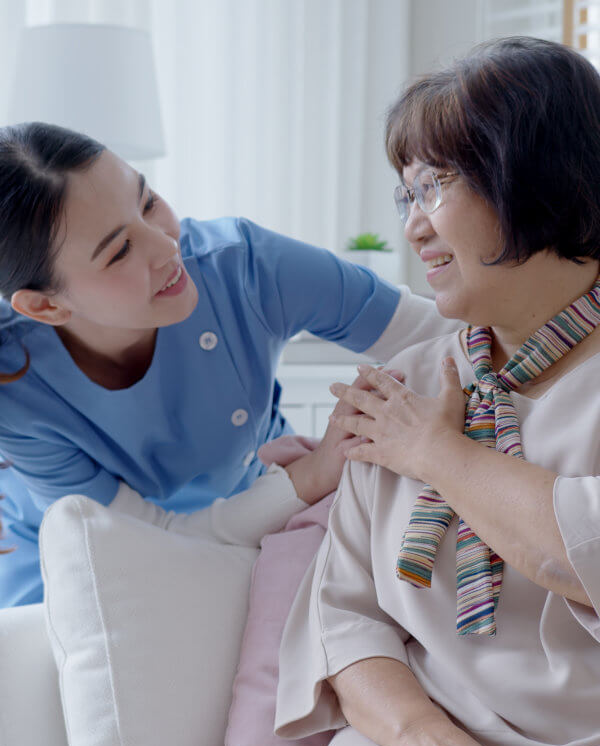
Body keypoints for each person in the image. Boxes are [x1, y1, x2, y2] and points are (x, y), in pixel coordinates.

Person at [275, 36, 600, 746]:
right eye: (406, 197)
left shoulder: (411, 423)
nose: (414, 228)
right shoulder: (403, 387)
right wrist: (423, 738)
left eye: (436, 187)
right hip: (439, 721)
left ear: (538, 177)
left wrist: (435, 453)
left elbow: (580, 551)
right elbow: (344, 615)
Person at [0, 121, 459, 607]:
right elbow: (143, 541)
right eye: (120, 251)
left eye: (148, 201)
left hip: (260, 506)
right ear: (45, 307)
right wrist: (313, 474)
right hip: (79, 553)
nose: (166, 245)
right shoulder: (15, 385)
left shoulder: (245, 267)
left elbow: (440, 333)